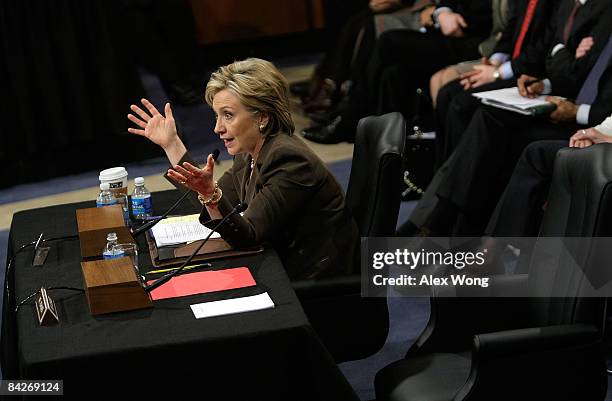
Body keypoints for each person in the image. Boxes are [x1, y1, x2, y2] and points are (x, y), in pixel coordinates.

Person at [127, 58, 359, 280]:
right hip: (279, 258)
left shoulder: (288, 159)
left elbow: (247, 237)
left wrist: (210, 194)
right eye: (217, 116)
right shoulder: (249, 152)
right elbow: (218, 207)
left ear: (263, 117)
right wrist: (172, 144)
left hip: (311, 276)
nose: (218, 128)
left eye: (228, 115)